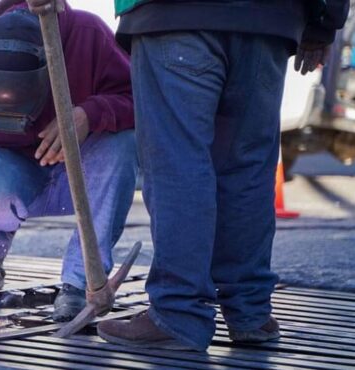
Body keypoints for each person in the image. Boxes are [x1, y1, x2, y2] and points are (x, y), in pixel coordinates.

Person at [29, 0, 349, 351]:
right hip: (269, 19)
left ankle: (179, 313)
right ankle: (250, 311)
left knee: (176, 162)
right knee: (248, 167)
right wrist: (324, 20)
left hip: (174, 15)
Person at [0, 3, 137, 321]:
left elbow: (138, 97)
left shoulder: (88, 38)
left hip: (82, 178)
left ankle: (81, 283)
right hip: (15, 179)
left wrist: (89, 114)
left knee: (121, 144)